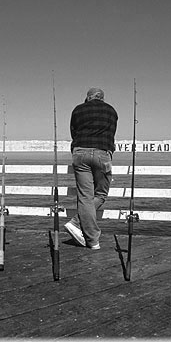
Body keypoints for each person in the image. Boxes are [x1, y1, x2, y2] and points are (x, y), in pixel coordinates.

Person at [65, 87, 118, 250]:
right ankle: (80, 228)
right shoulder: (111, 111)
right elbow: (111, 134)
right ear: (102, 97)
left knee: (85, 197)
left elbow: (73, 133)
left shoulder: (78, 110)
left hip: (80, 153)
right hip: (103, 154)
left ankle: (91, 238)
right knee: (101, 194)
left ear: (88, 97)